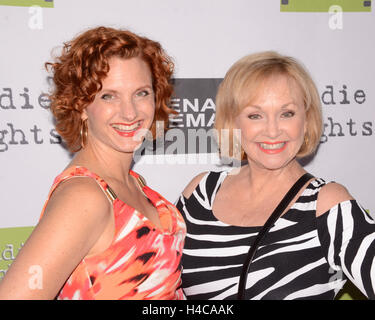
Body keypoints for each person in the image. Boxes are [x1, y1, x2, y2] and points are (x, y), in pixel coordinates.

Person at [0, 26, 186, 300]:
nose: (130, 111)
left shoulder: (132, 184)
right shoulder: (84, 196)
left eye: (142, 93)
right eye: (108, 96)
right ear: (80, 106)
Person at [176, 51, 375, 300]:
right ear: (233, 122)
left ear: (306, 119)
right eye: (255, 115)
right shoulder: (200, 193)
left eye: (287, 113)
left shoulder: (326, 203)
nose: (272, 130)